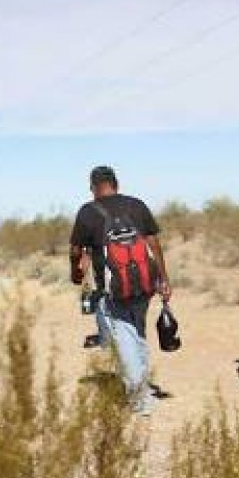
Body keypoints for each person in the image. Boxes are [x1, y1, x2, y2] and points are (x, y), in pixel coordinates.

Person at [70, 166, 171, 416]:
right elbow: (153, 242)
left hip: (114, 290)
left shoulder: (88, 212)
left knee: (125, 338)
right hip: (145, 284)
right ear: (116, 183)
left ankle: (140, 399)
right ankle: (142, 385)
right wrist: (163, 278)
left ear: (93, 187)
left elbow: (75, 250)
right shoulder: (136, 205)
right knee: (137, 332)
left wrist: (76, 271)